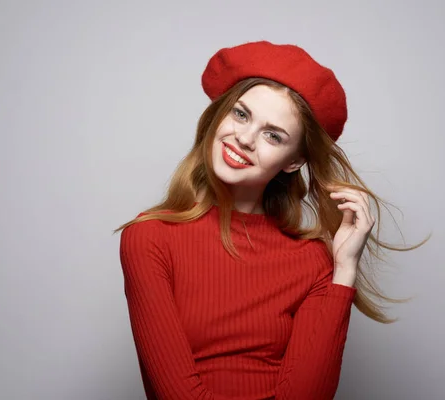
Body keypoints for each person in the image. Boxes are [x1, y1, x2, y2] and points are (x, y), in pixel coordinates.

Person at [115, 41, 428, 400]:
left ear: (293, 162)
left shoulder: (313, 261)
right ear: (219, 116)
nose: (245, 139)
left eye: (273, 135)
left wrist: (344, 269)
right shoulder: (150, 238)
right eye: (241, 114)